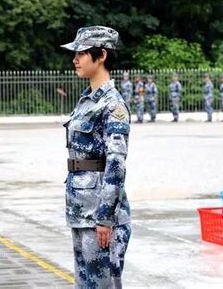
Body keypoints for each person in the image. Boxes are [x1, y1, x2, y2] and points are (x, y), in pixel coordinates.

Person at [61, 26, 131, 288]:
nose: (75, 59)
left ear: (101, 55)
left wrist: (105, 217)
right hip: (81, 209)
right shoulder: (87, 101)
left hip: (99, 215)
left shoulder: (113, 105)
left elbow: (116, 164)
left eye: (81, 53)